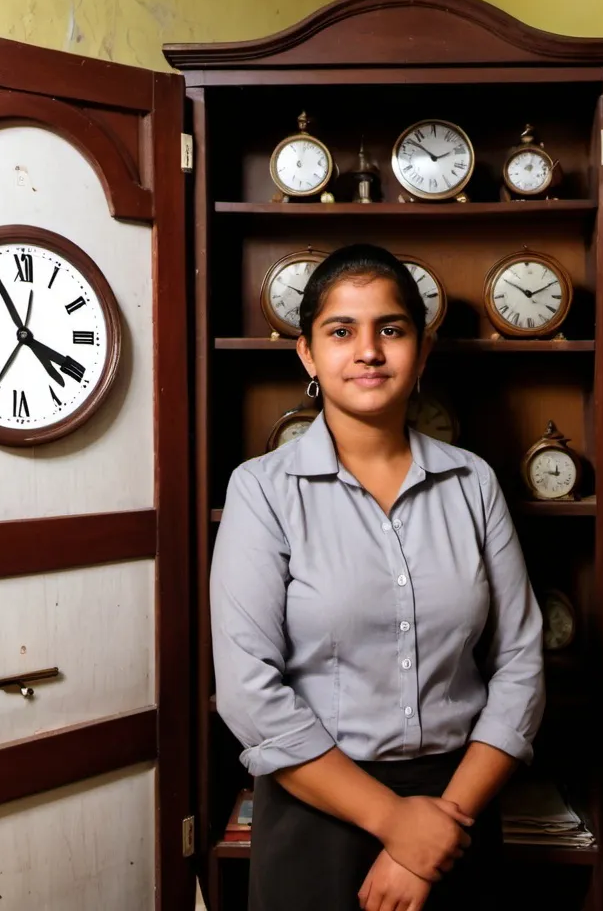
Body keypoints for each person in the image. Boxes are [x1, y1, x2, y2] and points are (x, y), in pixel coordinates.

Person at [210, 243, 545, 911]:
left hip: (461, 805)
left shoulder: (472, 481)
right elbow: (249, 694)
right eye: (341, 331)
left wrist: (434, 834)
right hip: (316, 810)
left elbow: (519, 664)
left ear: (421, 352)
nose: (368, 350)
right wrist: (399, 827)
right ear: (307, 353)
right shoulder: (262, 490)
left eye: (390, 329)